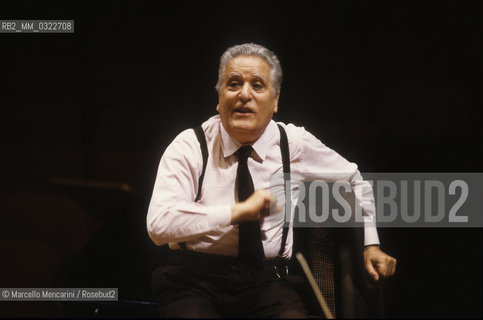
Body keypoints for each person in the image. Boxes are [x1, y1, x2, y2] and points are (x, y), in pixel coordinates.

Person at [147, 43, 396, 318]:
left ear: (275, 100)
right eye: (233, 84)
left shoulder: (294, 144)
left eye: (257, 85)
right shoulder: (190, 145)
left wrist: (370, 244)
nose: (244, 94)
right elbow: (160, 225)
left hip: (266, 281)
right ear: (219, 98)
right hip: (193, 280)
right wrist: (237, 212)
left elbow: (353, 179)